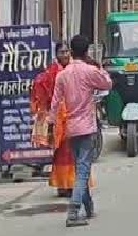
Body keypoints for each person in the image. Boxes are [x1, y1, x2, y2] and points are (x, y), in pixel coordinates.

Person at [50, 35, 113, 227]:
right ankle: (73, 211)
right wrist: (99, 67)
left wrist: (52, 123)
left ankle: (88, 206)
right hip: (86, 127)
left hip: (70, 128)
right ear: (86, 52)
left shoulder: (63, 75)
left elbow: (55, 102)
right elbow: (107, 84)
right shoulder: (89, 71)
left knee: (80, 168)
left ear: (71, 51)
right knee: (83, 170)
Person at [31, 43, 93, 197]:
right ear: (56, 54)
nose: (64, 55)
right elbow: (41, 86)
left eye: (66, 51)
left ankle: (75, 184)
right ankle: (63, 184)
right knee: (62, 152)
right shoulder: (52, 72)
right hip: (59, 118)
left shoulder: (75, 69)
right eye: (61, 52)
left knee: (76, 152)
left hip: (75, 115)